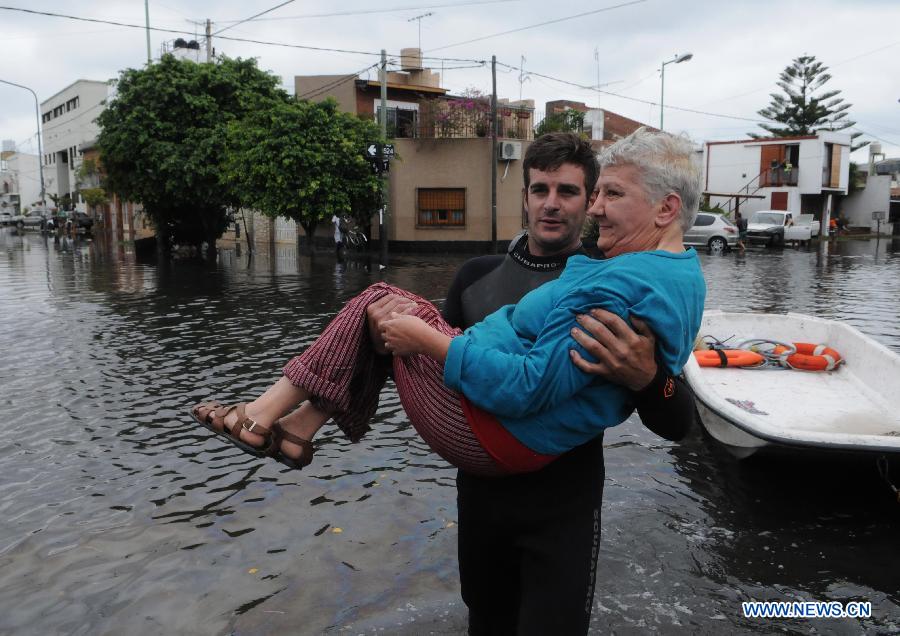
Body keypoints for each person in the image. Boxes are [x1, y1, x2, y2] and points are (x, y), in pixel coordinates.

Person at [192, 130, 703, 632]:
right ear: (523, 196)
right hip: (483, 497)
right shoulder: (475, 277)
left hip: (562, 501)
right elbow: (433, 372)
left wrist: (649, 377)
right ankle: (299, 422)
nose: (556, 204)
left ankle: (284, 418)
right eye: (540, 189)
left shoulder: (613, 277)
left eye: (572, 191)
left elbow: (678, 422)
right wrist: (379, 335)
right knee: (485, 622)